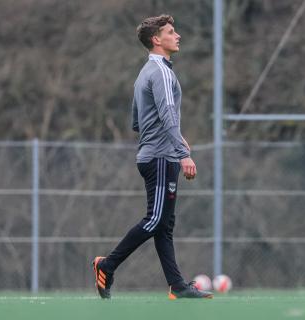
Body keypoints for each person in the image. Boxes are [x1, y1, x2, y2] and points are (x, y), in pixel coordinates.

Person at [92, 14, 213, 300]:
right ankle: (106, 266)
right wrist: (182, 152)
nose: (178, 35)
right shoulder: (160, 72)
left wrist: (174, 139)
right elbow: (168, 114)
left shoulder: (145, 73)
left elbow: (138, 121)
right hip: (161, 158)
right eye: (172, 32)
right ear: (157, 40)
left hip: (158, 155)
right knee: (156, 219)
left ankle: (178, 285)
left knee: (164, 226)